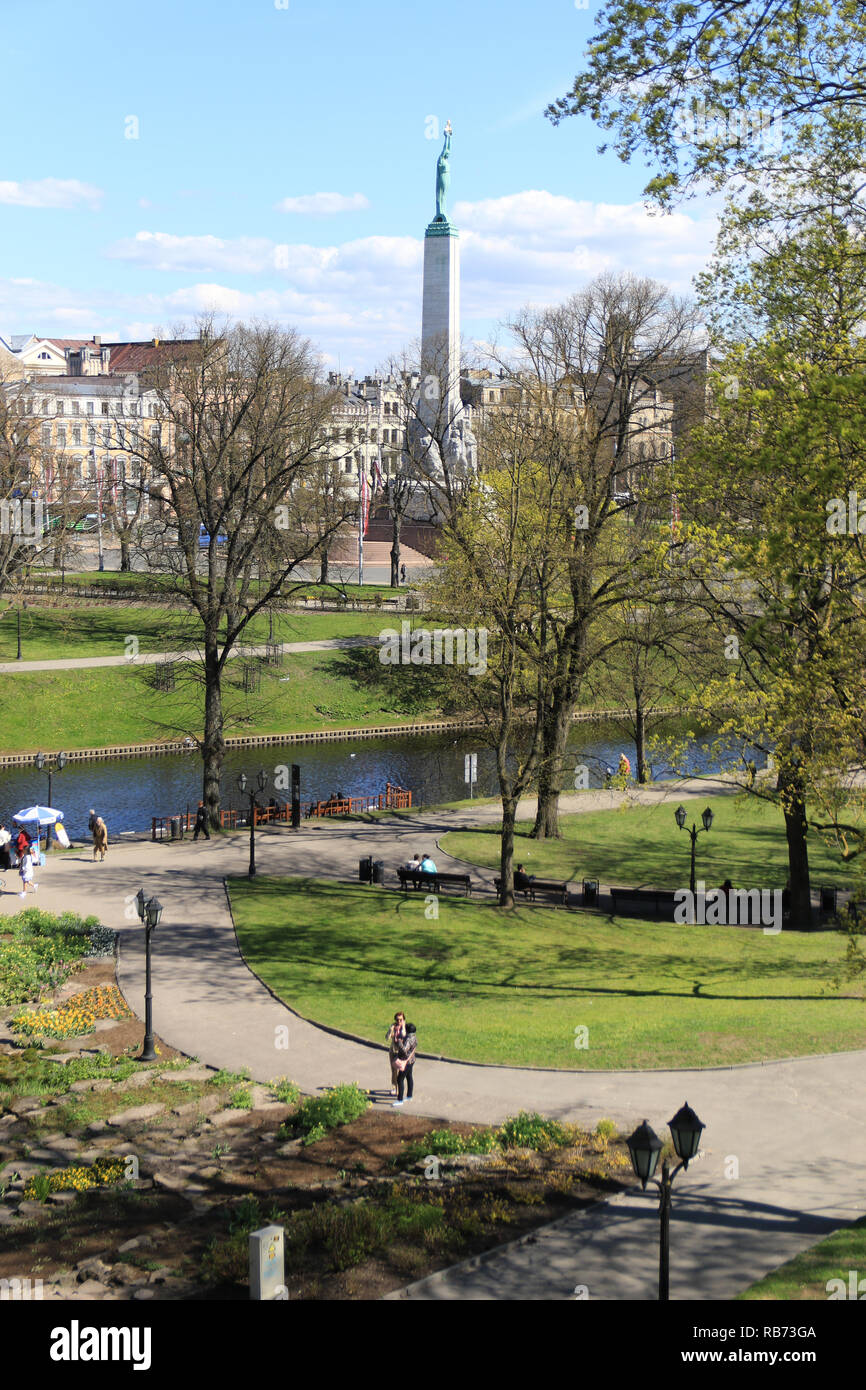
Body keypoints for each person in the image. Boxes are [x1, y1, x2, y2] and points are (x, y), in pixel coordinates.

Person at [392, 1021, 417, 1107]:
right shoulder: (414, 1037)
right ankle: (409, 1095)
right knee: (409, 1077)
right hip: (412, 1060)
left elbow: (404, 1050)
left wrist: (399, 1042)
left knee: (400, 1079)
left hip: (406, 1062)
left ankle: (400, 1100)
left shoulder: (409, 1039)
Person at [386, 1011, 406, 1096]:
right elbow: (386, 1038)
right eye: (397, 1020)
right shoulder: (393, 1027)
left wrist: (403, 1027)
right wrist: (390, 1031)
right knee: (394, 1071)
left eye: (401, 1020)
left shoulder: (405, 1028)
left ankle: (400, 1088)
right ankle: (394, 1087)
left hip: (401, 1052)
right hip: (393, 1051)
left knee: (401, 1071)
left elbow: (404, 1035)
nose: (399, 1022)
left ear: (403, 1020)